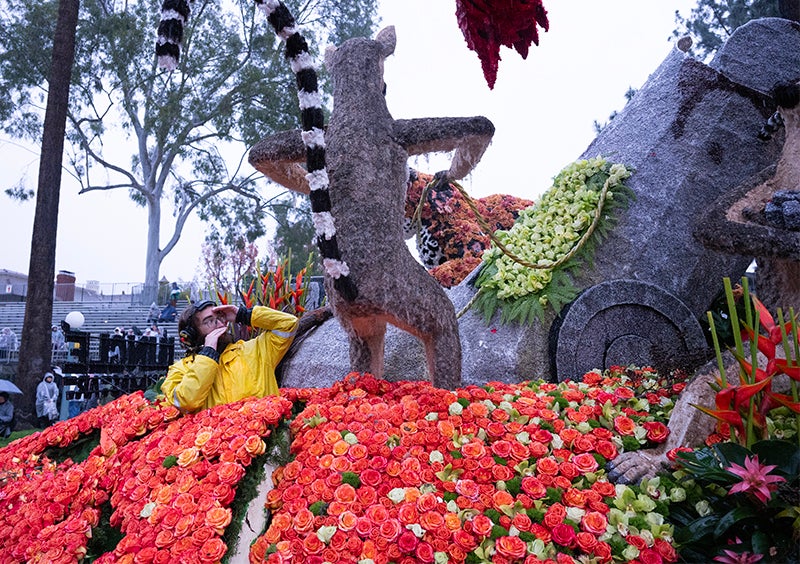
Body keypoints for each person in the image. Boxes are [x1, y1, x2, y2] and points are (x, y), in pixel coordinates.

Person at [161, 300, 298, 413]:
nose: (220, 324)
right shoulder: (179, 370)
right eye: (209, 321)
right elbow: (186, 401)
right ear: (193, 334)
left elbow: (288, 324)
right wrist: (208, 355)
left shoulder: (256, 350)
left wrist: (243, 314)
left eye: (220, 317)